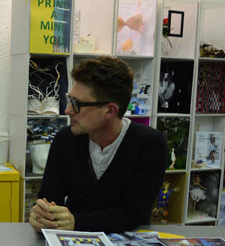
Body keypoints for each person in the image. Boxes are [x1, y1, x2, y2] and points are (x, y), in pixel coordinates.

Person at [29, 56, 167, 233]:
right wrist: (42, 215)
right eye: (69, 99)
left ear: (110, 111)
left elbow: (134, 214)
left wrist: (77, 222)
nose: (67, 110)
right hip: (71, 243)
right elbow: (49, 199)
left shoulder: (149, 144)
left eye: (77, 104)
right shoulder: (65, 139)